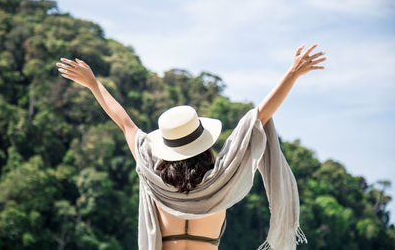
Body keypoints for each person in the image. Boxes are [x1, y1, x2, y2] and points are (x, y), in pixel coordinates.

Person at [56, 43, 326, 250]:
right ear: (204, 144)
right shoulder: (221, 180)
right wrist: (292, 74)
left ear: (166, 149)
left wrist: (93, 83)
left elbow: (125, 123)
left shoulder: (154, 179)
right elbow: (258, 117)